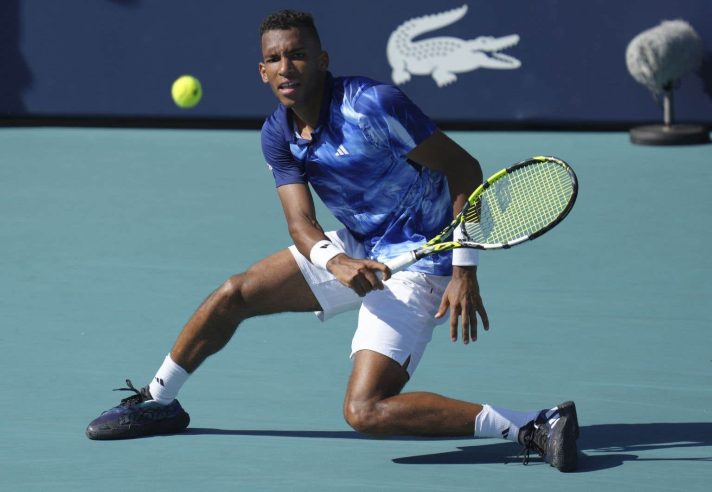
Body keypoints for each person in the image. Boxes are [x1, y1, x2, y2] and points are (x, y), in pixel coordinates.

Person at [85, 9, 579, 472]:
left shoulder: (374, 105)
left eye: (297, 54)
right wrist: (337, 260)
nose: (287, 67)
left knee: (365, 411)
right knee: (232, 295)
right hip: (361, 244)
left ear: (321, 61)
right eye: (275, 59)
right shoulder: (277, 134)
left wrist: (464, 268)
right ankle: (159, 401)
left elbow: (465, 169)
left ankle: (533, 423)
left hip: (424, 258)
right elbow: (301, 223)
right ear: (262, 71)